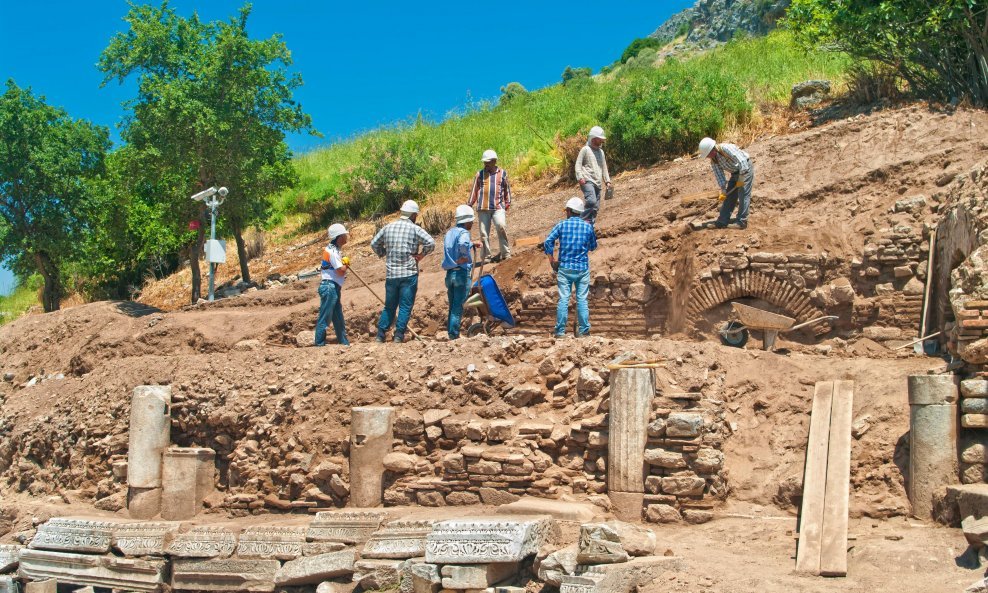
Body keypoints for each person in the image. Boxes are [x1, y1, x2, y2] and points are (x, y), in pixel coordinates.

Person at [370, 200, 436, 343]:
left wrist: (384, 253)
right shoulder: (414, 229)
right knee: (405, 306)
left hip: (392, 274)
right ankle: (399, 335)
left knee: (390, 306)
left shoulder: (388, 227)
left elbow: (374, 243)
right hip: (409, 273)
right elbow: (431, 243)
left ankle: (380, 335)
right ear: (413, 215)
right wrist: (421, 255)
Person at [544, 197, 598, 338]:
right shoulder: (588, 227)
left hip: (565, 268)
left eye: (566, 210)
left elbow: (548, 241)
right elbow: (593, 246)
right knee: (582, 300)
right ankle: (584, 331)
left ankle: (560, 332)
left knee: (563, 299)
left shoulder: (561, 225)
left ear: (569, 211)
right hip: (582, 269)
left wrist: (552, 261)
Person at [442, 205, 482, 340]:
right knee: (458, 307)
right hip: (461, 274)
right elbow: (463, 244)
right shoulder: (464, 233)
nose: (472, 224)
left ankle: (451, 333)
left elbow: (453, 246)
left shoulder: (449, 233)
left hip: (450, 274)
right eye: (471, 221)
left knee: (452, 306)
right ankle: (454, 336)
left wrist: (472, 243)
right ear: (466, 221)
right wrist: (465, 255)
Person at [698, 137, 754, 230]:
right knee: (729, 196)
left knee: (743, 194)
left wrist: (741, 179)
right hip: (735, 172)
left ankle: (741, 222)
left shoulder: (726, 148)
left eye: (707, 154)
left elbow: (742, 161)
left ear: (712, 150)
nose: (707, 157)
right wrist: (723, 190)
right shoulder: (714, 160)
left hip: (745, 169)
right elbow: (719, 176)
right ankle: (722, 221)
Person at [467, 149, 512, 263]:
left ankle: (505, 253)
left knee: (501, 226)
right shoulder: (479, 174)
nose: (486, 164)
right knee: (483, 233)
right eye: (484, 162)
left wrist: (508, 202)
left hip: (498, 207)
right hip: (483, 208)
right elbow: (474, 190)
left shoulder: (502, 173)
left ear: (494, 161)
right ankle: (486, 257)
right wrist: (469, 204)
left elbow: (506, 188)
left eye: (488, 162)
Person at [314, 223, 350, 346]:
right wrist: (346, 265)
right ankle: (319, 343)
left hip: (333, 287)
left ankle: (344, 343)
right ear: (339, 237)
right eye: (345, 235)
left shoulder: (334, 250)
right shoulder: (332, 251)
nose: (346, 237)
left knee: (338, 317)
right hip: (329, 287)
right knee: (325, 317)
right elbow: (340, 271)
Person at [574, 126, 611, 226]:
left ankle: (590, 225)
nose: (602, 141)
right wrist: (580, 177)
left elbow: (604, 167)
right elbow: (578, 164)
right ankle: (580, 222)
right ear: (594, 138)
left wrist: (607, 181)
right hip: (587, 180)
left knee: (596, 207)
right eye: (600, 139)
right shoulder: (585, 149)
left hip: (598, 182)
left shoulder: (601, 152)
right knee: (591, 201)